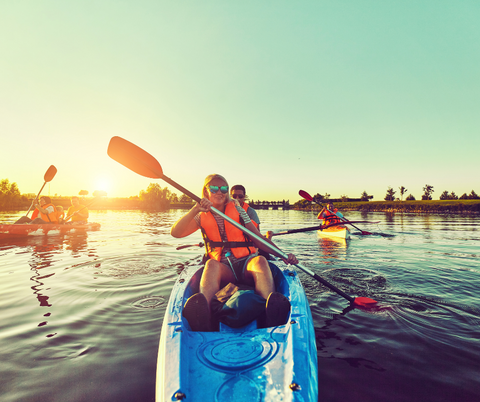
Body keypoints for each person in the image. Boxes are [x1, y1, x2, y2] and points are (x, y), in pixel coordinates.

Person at [171, 174, 298, 332]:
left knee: (260, 261)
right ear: (205, 192)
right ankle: (207, 317)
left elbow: (259, 239)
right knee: (210, 264)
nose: (220, 192)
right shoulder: (200, 215)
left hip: (246, 264)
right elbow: (176, 233)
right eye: (214, 188)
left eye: (224, 188)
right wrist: (195, 208)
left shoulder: (239, 210)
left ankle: (268, 312)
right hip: (225, 270)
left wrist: (283, 256)